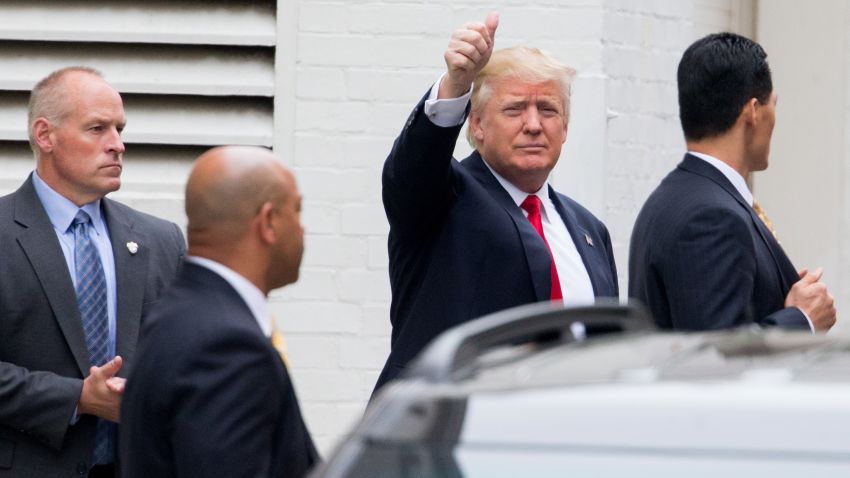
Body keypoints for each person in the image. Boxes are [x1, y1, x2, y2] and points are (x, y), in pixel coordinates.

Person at [375, 12, 619, 393]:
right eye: (515, 109)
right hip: (455, 434)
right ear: (477, 125)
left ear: (566, 128)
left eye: (548, 110)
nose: (534, 124)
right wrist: (456, 84)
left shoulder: (589, 231)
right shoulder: (445, 197)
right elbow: (411, 171)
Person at [0, 67, 185, 477]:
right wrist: (77, 398)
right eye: (98, 128)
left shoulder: (162, 241)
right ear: (45, 135)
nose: (117, 145)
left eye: (119, 129)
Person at [120, 146, 318, 478]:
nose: (302, 229)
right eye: (296, 211)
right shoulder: (228, 347)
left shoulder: (177, 314)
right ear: (268, 222)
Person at [629, 33, 836, 332]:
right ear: (752, 111)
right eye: (773, 104)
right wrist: (802, 319)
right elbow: (717, 355)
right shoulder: (711, 217)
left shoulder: (674, 197)